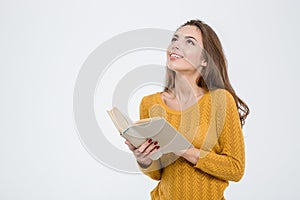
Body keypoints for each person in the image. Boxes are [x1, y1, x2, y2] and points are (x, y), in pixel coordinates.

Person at [125, 19, 250, 200]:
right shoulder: (150, 103)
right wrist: (143, 159)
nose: (176, 46)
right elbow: (158, 174)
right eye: (175, 39)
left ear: (205, 60)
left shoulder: (220, 101)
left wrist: (183, 149)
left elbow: (236, 169)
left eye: (189, 42)